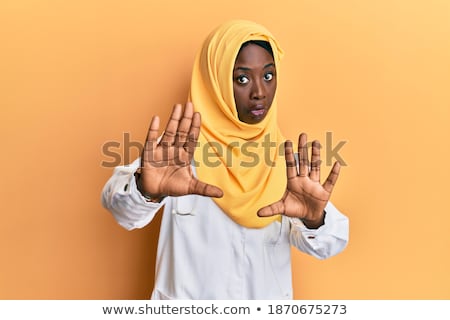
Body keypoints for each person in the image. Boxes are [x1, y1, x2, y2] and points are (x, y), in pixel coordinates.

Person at [101, 19, 349, 299]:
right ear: (214, 82)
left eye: (268, 75)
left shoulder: (288, 165)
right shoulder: (177, 153)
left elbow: (330, 243)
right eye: (242, 78)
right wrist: (144, 190)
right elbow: (123, 212)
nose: (259, 92)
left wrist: (315, 220)